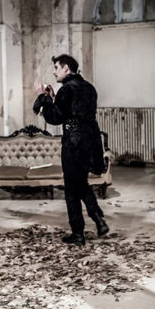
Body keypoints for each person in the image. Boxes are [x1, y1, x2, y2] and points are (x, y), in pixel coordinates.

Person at [33, 54, 108, 246]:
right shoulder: (89, 88)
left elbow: (56, 118)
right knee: (81, 183)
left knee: (71, 189)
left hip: (74, 143)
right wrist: (53, 98)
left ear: (66, 68)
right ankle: (98, 219)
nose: (54, 72)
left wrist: (42, 97)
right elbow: (72, 111)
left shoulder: (67, 89)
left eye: (56, 68)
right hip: (91, 142)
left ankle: (78, 233)